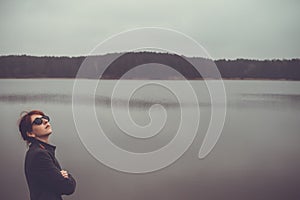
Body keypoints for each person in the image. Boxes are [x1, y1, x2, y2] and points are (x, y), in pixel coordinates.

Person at [18, 110, 76, 200]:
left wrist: (63, 176)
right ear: (30, 133)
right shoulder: (39, 155)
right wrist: (68, 176)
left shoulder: (41, 150)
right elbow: (67, 187)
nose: (45, 121)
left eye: (45, 118)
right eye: (38, 121)